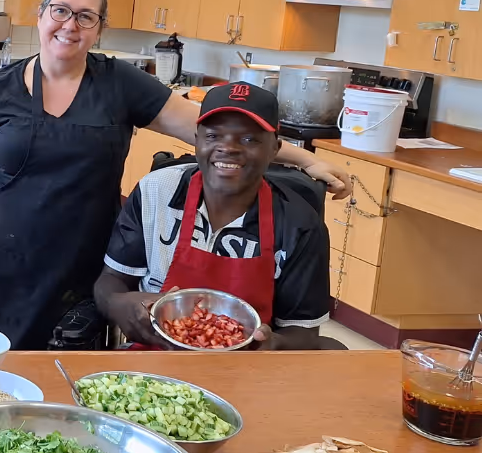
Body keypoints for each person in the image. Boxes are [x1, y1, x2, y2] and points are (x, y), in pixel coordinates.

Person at [0, 0, 351, 351]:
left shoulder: (120, 83)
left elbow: (212, 135)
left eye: (86, 16)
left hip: (78, 266)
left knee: (62, 371)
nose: (70, 25)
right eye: (60, 10)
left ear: (99, 29)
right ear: (41, 14)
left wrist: (306, 160)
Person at [94, 82, 333, 350]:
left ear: (274, 149)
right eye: (213, 136)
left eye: (248, 139)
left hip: (249, 370)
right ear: (196, 140)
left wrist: (271, 345)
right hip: (152, 359)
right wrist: (119, 304)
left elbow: (304, 335)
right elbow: (111, 280)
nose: (227, 147)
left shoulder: (300, 225)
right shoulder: (156, 191)